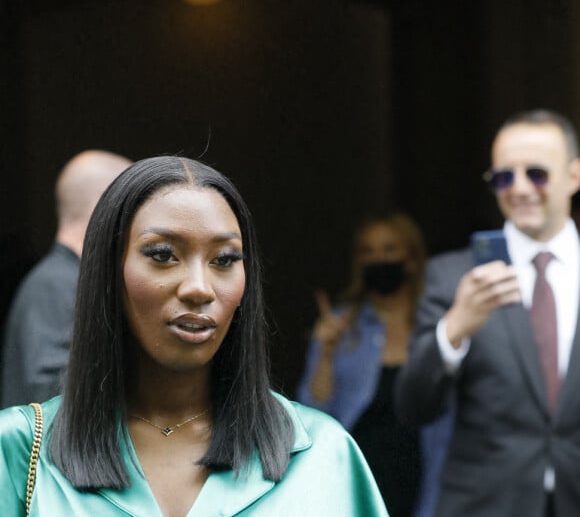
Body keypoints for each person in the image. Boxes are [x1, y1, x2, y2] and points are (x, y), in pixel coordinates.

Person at [0, 155, 388, 516]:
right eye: (163, 254)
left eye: (224, 259)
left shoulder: (323, 454)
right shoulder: (18, 452)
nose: (199, 288)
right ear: (109, 273)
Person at [395, 109, 580, 517]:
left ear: (574, 176)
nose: (518, 188)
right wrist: (454, 330)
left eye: (536, 173)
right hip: (486, 503)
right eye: (502, 176)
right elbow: (413, 407)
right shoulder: (453, 276)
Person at [297, 213, 435, 517]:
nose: (378, 260)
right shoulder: (340, 325)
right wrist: (326, 354)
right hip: (359, 478)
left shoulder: (437, 324)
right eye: (368, 252)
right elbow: (311, 417)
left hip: (427, 480)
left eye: (389, 250)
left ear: (411, 258)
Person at [1, 150, 132, 408]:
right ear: (106, 210)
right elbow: (45, 391)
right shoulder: (52, 284)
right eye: (131, 211)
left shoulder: (68, 281)